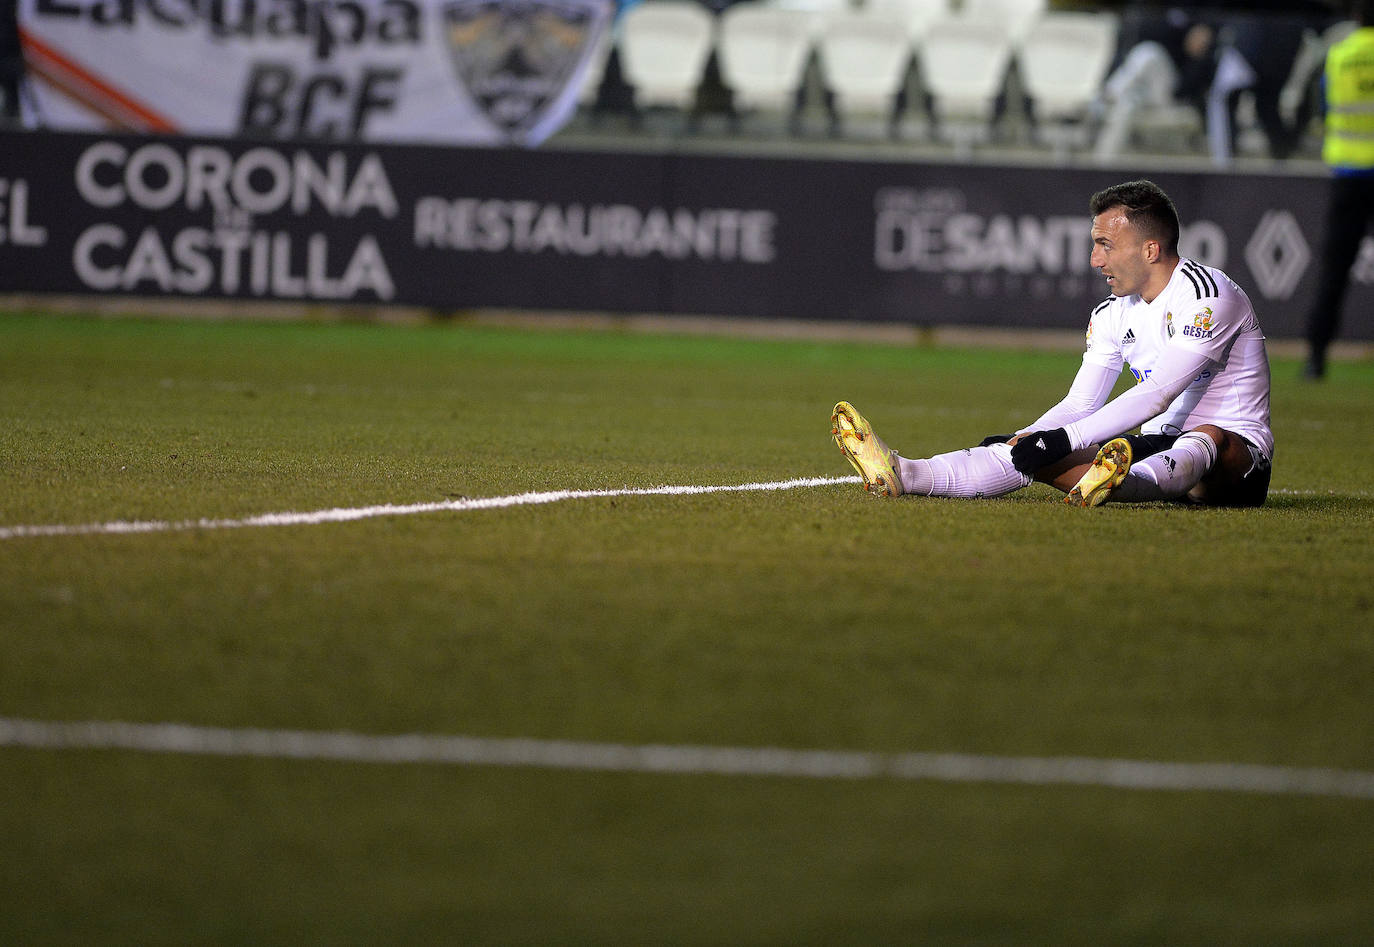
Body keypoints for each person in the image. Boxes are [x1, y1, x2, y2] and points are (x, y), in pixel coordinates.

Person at [832, 180, 1274, 509]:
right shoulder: (1110, 314)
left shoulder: (1206, 295)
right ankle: (904, 472)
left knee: (1206, 436)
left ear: (1150, 249)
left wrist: (1063, 440)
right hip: (1156, 450)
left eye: (1105, 245)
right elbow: (1081, 403)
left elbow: (1157, 394)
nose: (1094, 260)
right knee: (1028, 452)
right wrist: (1038, 437)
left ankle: (1122, 483)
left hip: (1238, 464)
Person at [1303, 0, 1374, 379]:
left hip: (1348, 175)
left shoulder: (1341, 55)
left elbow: (1326, 105)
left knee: (1334, 271)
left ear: (1357, 16)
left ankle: (1315, 357)